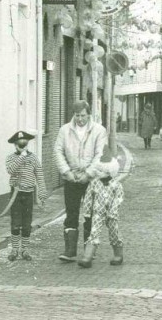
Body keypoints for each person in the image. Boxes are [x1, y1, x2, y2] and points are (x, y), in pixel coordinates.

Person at [54, 100, 108, 262]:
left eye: (83, 115)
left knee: (90, 214)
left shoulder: (99, 131)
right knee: (71, 212)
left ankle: (88, 252)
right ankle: (70, 251)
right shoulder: (64, 130)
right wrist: (66, 172)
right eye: (77, 115)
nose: (80, 119)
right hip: (72, 177)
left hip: (91, 179)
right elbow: (58, 151)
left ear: (89, 114)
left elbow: (100, 154)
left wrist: (89, 173)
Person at [78, 144, 125, 268]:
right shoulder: (94, 183)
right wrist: (87, 212)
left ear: (109, 171)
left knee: (114, 232)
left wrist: (113, 211)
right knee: (94, 233)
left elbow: (118, 199)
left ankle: (118, 255)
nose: (98, 173)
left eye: (101, 171)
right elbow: (88, 197)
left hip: (112, 215)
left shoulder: (116, 185)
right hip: (98, 213)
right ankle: (87, 257)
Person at [4, 130, 47, 261]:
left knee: (27, 224)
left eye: (24, 144)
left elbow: (39, 175)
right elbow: (10, 170)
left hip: (28, 194)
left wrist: (42, 193)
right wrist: (21, 157)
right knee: (16, 223)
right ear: (15, 145)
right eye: (19, 145)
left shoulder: (33, 158)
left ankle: (25, 250)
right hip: (16, 194)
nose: (22, 147)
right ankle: (15, 250)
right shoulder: (11, 158)